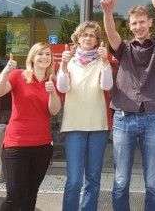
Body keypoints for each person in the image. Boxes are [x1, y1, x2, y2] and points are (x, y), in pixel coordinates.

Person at [100, 0, 155, 211]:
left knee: (153, 181)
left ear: (150, 23)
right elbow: (111, 33)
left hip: (153, 118)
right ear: (130, 26)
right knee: (120, 180)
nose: (138, 26)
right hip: (123, 117)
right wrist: (107, 12)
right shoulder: (124, 48)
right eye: (134, 23)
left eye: (142, 22)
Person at [0, 42, 62, 211]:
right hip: (17, 145)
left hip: (42, 146)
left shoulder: (52, 80)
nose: (44, 57)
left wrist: (52, 91)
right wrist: (5, 71)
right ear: (32, 57)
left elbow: (54, 111)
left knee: (31, 194)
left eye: (47, 54)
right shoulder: (18, 75)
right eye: (40, 54)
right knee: (15, 196)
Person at [56, 21, 113, 211]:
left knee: (93, 179)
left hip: (98, 126)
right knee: (73, 180)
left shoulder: (101, 61)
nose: (87, 38)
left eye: (92, 35)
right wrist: (63, 66)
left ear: (97, 40)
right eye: (84, 35)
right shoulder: (68, 62)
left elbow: (107, 86)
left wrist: (106, 63)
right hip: (74, 126)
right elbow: (62, 88)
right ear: (77, 38)